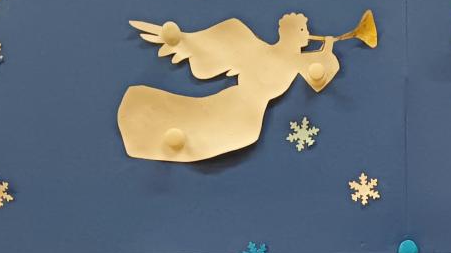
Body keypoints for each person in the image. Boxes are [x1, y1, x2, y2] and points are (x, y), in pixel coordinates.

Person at [118, 13, 341, 162]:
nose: (307, 35)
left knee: (206, 135)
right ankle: (151, 128)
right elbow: (317, 66)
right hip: (235, 107)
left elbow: (318, 76)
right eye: (302, 30)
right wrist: (181, 39)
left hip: (249, 118)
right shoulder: (263, 51)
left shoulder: (296, 61)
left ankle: (168, 136)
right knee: (200, 131)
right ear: (290, 32)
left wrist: (328, 47)